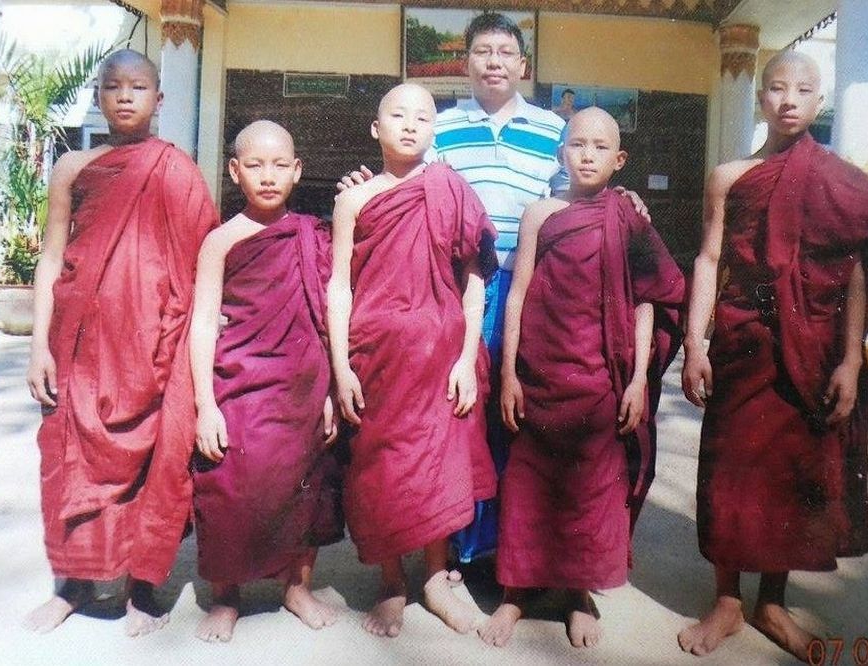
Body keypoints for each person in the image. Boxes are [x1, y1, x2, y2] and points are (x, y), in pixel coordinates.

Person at [340, 12, 648, 566]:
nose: (494, 62)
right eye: (483, 52)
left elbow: (577, 197)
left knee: (516, 408)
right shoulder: (440, 127)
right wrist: (363, 184)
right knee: (460, 410)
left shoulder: (555, 130)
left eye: (506, 54)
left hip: (534, 287)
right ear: (466, 63)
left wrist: (625, 199)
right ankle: (462, 542)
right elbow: (411, 184)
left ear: (523, 66)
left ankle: (508, 546)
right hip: (459, 286)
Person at [677, 51, 868, 661]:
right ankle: (726, 599)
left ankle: (772, 601)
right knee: (730, 468)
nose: (790, 100)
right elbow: (709, 259)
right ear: (761, 98)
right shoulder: (730, 175)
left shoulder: (842, 182)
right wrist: (695, 341)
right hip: (744, 340)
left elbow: (855, 274)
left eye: (803, 90)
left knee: (794, 472)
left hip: (817, 344)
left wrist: (852, 359)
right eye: (777, 88)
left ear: (819, 102)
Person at [23, 49, 218, 635]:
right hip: (81, 344)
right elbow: (51, 257)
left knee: (156, 465)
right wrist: (38, 345)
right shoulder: (73, 167)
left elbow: (201, 259)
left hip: (155, 344)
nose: (125, 96)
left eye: (138, 87)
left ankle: (141, 590)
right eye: (113, 87)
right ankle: (74, 585)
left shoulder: (177, 169)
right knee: (69, 464)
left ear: (160, 100)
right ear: (99, 96)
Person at [479, 108, 685, 649]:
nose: (587, 155)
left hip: (603, 375)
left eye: (600, 147)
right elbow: (518, 291)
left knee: (593, 491)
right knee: (525, 484)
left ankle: (577, 593)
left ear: (619, 160)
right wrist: (508, 375)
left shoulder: (628, 217)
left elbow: (647, 300)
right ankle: (515, 594)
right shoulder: (541, 214)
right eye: (577, 144)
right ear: (561, 153)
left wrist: (639, 378)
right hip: (540, 372)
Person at [328, 83, 498, 639]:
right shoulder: (354, 199)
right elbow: (339, 287)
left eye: (422, 117)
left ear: (434, 130)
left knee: (437, 469)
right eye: (396, 115)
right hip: (375, 356)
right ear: (375, 129)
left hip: (440, 357)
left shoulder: (451, 190)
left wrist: (465, 357)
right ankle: (392, 582)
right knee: (380, 469)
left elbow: (475, 284)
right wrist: (340, 366)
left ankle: (433, 577)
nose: (409, 125)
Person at [188, 120, 343, 643]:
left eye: (280, 165)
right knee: (228, 485)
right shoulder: (221, 240)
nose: (268, 176)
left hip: (300, 387)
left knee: (306, 486)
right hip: (240, 383)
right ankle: (226, 596)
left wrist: (327, 393)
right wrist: (205, 405)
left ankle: (296, 586)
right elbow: (204, 322)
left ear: (298, 171)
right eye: (255, 165)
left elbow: (324, 317)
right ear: (234, 171)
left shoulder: (309, 234)